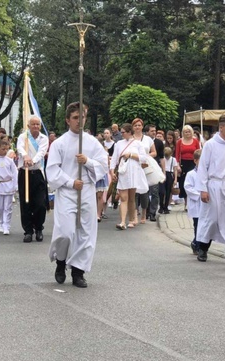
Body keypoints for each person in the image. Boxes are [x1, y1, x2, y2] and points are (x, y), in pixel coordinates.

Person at [47, 102, 108, 288]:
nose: (79, 121)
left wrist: (88, 161)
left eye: (82, 117)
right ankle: (61, 261)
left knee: (86, 232)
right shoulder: (59, 143)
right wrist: (70, 182)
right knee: (65, 231)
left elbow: (103, 165)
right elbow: (52, 170)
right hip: (67, 191)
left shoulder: (92, 143)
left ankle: (78, 271)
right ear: (67, 120)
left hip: (87, 190)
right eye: (75, 117)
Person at [194, 114, 225, 265]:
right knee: (211, 217)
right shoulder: (210, 145)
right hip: (214, 184)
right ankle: (202, 248)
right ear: (221, 127)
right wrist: (203, 188)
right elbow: (203, 167)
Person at [16, 115, 50, 242]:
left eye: (38, 124)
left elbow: (42, 152)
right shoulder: (23, 137)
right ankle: (28, 231)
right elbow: (19, 148)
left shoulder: (44, 139)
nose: (35, 126)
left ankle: (39, 228)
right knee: (25, 203)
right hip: (24, 173)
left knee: (40, 203)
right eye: (33, 124)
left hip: (37, 173)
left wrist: (32, 160)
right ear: (29, 125)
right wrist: (25, 156)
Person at [111, 123, 146, 230]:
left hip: (134, 172)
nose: (121, 134)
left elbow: (144, 158)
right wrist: (112, 172)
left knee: (131, 198)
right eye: (121, 132)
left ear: (130, 132)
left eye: (123, 132)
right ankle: (122, 222)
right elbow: (114, 159)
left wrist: (131, 155)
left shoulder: (138, 144)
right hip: (123, 172)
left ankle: (131, 220)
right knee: (123, 197)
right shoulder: (119, 144)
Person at [0, 139, 18, 235]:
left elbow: (14, 173)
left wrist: (15, 185)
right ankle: (0, 223)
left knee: (7, 207)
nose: (5, 151)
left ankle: (6, 225)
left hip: (8, 185)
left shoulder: (10, 161)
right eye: (3, 149)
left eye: (6, 149)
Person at [131, 118, 156, 224]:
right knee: (134, 190)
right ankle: (135, 213)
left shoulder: (148, 139)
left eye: (139, 125)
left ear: (142, 126)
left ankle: (144, 212)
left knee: (145, 191)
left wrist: (146, 156)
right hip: (133, 167)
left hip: (145, 166)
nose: (137, 127)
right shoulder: (130, 139)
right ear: (133, 127)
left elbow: (154, 152)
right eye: (135, 125)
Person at [175, 125, 201, 209]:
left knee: (194, 182)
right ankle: (186, 203)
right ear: (183, 133)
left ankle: (193, 201)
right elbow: (177, 154)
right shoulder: (179, 141)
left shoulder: (195, 141)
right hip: (183, 163)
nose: (187, 133)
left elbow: (199, 152)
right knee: (183, 183)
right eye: (185, 132)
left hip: (193, 163)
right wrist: (178, 165)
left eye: (189, 131)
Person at [183, 149, 202, 254]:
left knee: (205, 226)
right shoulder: (191, 174)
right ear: (195, 161)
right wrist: (200, 194)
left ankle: (197, 243)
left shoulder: (208, 174)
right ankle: (197, 245)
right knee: (197, 225)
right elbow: (188, 187)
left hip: (206, 204)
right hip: (196, 203)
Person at [146, 124, 164, 221]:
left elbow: (162, 158)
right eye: (152, 131)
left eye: (155, 130)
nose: (154, 132)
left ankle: (153, 212)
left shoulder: (159, 143)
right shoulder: (143, 141)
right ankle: (146, 210)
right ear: (147, 132)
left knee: (155, 191)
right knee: (144, 191)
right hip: (144, 168)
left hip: (155, 169)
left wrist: (163, 171)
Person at [160, 146, 177, 214]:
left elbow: (175, 169)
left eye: (168, 155)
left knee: (168, 192)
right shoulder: (162, 158)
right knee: (161, 191)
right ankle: (161, 206)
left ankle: (166, 206)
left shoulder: (173, 159)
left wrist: (175, 179)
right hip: (162, 173)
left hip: (170, 174)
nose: (167, 157)